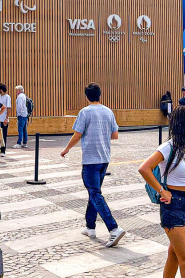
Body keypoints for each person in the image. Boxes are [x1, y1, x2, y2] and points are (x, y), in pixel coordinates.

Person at [138, 106, 185, 278]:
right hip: (174, 205)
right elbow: (144, 169)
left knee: (175, 253)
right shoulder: (168, 147)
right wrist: (161, 191)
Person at [60, 83, 125, 246]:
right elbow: (115, 135)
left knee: (95, 193)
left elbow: (77, 134)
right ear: (100, 95)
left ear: (86, 96)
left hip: (90, 160)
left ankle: (113, 228)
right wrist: (101, 137)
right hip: (104, 159)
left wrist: (66, 149)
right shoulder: (108, 111)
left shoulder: (85, 112)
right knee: (94, 193)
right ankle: (90, 227)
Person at [0, 84, 12, 155]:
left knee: (3, 135)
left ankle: (3, 150)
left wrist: (6, 118)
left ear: (1, 89)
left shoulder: (7, 97)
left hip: (3, 119)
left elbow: (8, 108)